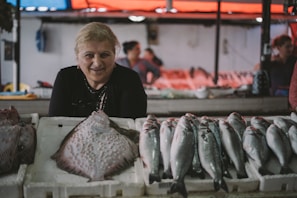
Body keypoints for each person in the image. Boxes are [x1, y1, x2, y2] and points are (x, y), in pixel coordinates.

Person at [48, 22, 147, 119]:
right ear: (78, 57)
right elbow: (55, 125)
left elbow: (132, 129)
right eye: (89, 55)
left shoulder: (129, 79)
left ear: (114, 55)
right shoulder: (66, 78)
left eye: (104, 55)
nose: (97, 63)